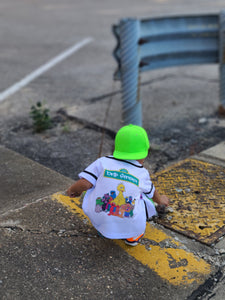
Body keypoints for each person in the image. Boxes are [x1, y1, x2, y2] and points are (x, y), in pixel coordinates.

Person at [67, 124, 169, 246]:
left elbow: (84, 183)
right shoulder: (142, 173)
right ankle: (132, 236)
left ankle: (102, 228)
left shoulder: (102, 162)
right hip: (128, 219)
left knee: (95, 186)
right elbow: (152, 193)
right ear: (144, 153)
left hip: (98, 215)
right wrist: (161, 200)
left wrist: (73, 190)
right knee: (144, 197)